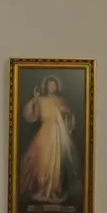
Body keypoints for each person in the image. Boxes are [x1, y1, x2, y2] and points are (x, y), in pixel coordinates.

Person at [20, 76, 78, 204]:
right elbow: (32, 116)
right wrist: (35, 100)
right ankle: (42, 189)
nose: (52, 87)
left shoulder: (62, 101)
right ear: (46, 86)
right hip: (45, 132)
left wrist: (66, 113)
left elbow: (69, 120)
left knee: (57, 164)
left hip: (59, 134)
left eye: (54, 85)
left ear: (57, 86)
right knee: (42, 161)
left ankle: (54, 190)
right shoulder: (41, 100)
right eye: (50, 85)